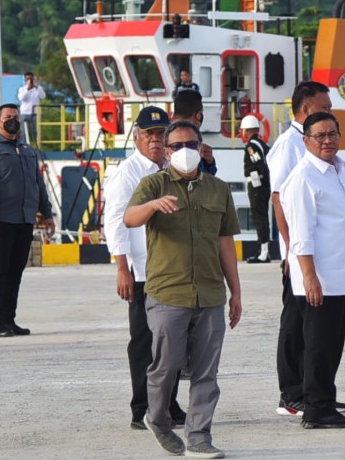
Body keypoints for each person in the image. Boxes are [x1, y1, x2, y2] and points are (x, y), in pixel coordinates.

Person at [124, 120, 242, 458]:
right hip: (167, 293)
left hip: (209, 294)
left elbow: (225, 243)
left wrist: (235, 292)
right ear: (166, 150)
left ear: (201, 147)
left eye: (191, 144)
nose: (184, 151)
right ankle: (157, 418)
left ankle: (199, 438)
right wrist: (153, 206)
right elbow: (129, 218)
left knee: (207, 372)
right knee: (167, 365)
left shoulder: (218, 189)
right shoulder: (154, 184)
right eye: (177, 146)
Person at [265, 81, 345, 417]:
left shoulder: (326, 147)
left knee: (313, 328)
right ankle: (293, 392)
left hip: (315, 255)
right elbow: (279, 198)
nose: (329, 111)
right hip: (299, 254)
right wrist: (290, 252)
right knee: (297, 325)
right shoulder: (290, 145)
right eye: (323, 106)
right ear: (305, 109)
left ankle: (315, 389)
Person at [102, 106, 186, 431]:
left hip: (171, 270)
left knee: (174, 339)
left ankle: (168, 402)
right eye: (149, 134)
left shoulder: (173, 169)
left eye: (160, 133)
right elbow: (115, 223)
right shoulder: (128, 172)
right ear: (136, 136)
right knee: (144, 341)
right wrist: (122, 268)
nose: (155, 139)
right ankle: (143, 408)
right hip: (141, 272)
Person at [281, 112, 345, 429]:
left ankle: (324, 401)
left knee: (331, 345)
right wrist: (310, 277)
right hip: (321, 279)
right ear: (306, 141)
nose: (328, 140)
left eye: (332, 134)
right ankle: (316, 409)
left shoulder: (339, 170)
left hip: (340, 277)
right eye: (320, 136)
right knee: (318, 346)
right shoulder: (304, 178)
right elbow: (301, 235)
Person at [0, 103, 56, 337]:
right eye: (8, 117)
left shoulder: (27, 150)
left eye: (16, 117)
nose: (13, 121)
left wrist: (46, 213)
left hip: (24, 219)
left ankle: (9, 320)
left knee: (15, 270)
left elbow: (38, 184)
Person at [240, 114, 272, 264]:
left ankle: (263, 253)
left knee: (259, 217)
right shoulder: (262, 144)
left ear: (246, 131)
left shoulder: (251, 147)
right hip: (262, 185)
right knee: (263, 217)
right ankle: (264, 251)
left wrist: (260, 185)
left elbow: (259, 165)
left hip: (256, 184)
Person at [172, 89, 217, 175]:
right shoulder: (191, 137)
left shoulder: (164, 135)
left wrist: (209, 162)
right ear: (199, 115)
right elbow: (204, 180)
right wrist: (209, 165)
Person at [17, 72, 46, 145]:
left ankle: (38, 146)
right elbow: (21, 98)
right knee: (23, 132)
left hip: (36, 112)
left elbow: (43, 96)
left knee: (37, 131)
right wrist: (28, 89)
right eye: (27, 79)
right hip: (25, 112)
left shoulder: (38, 88)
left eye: (30, 79)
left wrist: (37, 87)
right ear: (25, 80)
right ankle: (24, 146)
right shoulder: (22, 89)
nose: (29, 80)